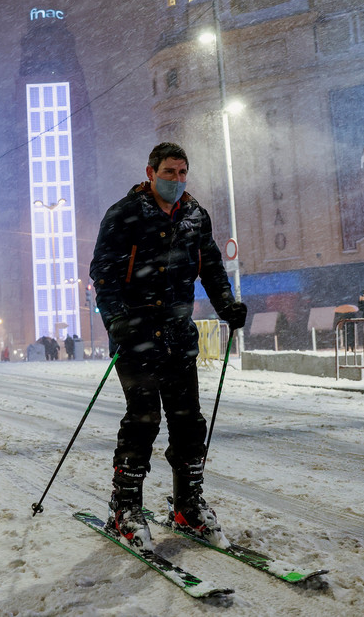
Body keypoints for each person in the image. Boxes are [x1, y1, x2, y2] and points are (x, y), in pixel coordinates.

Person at [89, 142, 247, 553]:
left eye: (182, 172)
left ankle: (188, 504)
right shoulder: (124, 214)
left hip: (178, 335)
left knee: (189, 421)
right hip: (136, 334)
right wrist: (117, 320)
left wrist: (227, 304)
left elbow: (211, 267)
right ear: (150, 171)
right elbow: (103, 274)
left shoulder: (195, 216)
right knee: (143, 420)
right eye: (169, 172)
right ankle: (124, 507)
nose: (176, 179)